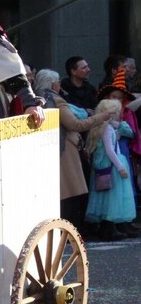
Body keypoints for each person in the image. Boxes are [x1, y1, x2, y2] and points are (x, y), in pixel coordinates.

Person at [32, 69, 110, 233]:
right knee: (69, 194)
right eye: (58, 82)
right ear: (54, 84)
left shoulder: (35, 98)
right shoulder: (56, 99)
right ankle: (68, 231)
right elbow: (75, 124)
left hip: (47, 147)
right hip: (65, 149)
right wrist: (99, 118)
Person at [85, 99, 136, 241]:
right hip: (112, 165)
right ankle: (109, 228)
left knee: (105, 197)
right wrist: (120, 167)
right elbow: (110, 150)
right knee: (112, 198)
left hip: (104, 166)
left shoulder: (101, 127)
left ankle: (106, 228)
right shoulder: (107, 129)